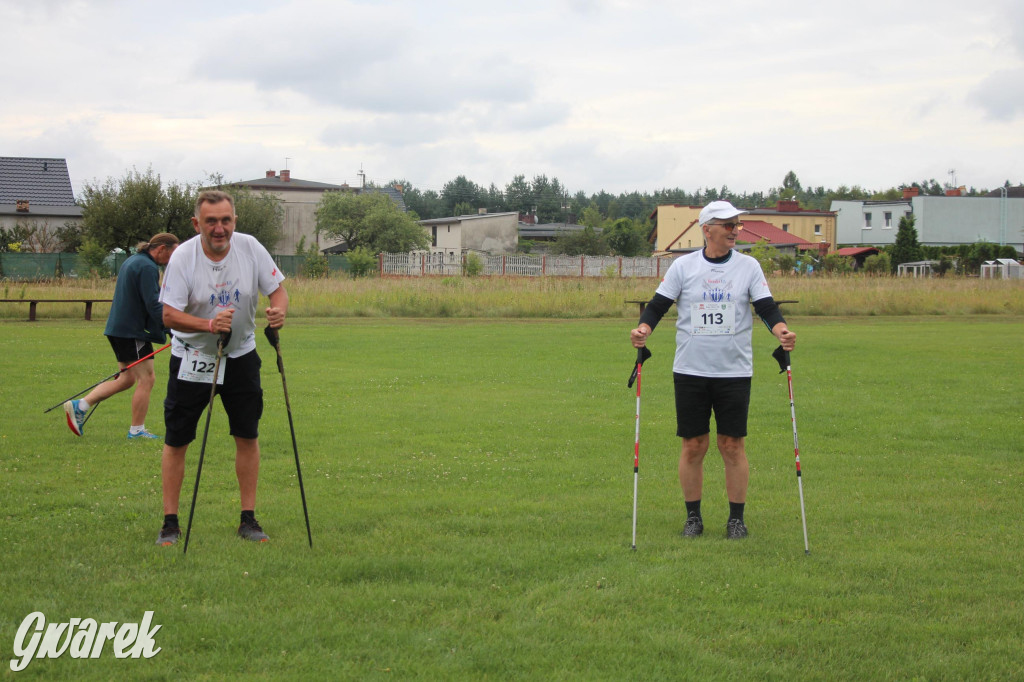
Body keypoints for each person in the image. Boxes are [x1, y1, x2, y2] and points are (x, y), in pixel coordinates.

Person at [630, 200, 796, 540]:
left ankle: (736, 519)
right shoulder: (683, 267)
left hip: (734, 371)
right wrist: (643, 329)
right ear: (707, 230)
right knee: (693, 444)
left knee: (732, 444)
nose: (736, 230)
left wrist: (781, 330)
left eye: (737, 224)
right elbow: (659, 305)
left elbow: (765, 307)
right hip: (690, 370)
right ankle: (693, 517)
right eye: (728, 225)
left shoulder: (748, 267)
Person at [155, 190, 288, 546]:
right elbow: (168, 314)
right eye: (211, 221)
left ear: (235, 221)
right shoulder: (183, 257)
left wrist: (278, 311)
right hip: (192, 356)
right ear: (197, 223)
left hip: (241, 355)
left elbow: (277, 290)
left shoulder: (250, 248)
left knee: (247, 435)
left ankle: (248, 518)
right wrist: (209, 325)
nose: (219, 228)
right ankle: (170, 523)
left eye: (225, 220)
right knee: (177, 438)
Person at [64, 233, 180, 439]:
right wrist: (171, 328)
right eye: (172, 254)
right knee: (147, 378)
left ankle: (80, 406)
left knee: (127, 379)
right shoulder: (147, 267)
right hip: (132, 331)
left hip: (118, 329)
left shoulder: (134, 261)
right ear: (162, 249)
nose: (171, 260)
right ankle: (136, 431)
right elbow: (153, 304)